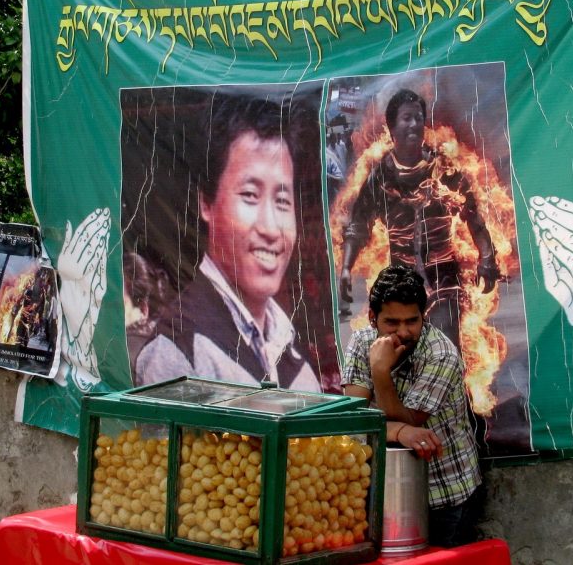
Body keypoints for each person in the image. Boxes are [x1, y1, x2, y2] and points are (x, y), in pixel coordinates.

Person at [134, 96, 321, 391]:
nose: (271, 228)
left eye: (283, 201)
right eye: (249, 195)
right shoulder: (177, 354)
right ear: (206, 202)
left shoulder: (292, 352)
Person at [339, 88, 500, 350]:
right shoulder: (380, 176)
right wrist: (347, 267)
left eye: (418, 117)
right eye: (406, 118)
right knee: (407, 355)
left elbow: (473, 215)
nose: (414, 124)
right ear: (392, 128)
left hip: (445, 279)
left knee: (447, 353)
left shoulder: (444, 167)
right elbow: (358, 226)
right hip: (401, 280)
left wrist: (487, 256)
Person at [342, 265, 484, 547]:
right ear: (373, 318)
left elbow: (410, 421)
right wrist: (397, 431)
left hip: (445, 496)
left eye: (412, 321)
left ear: (423, 316)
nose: (404, 332)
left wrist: (380, 373)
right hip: (386, 496)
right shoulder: (361, 342)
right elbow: (353, 417)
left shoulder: (440, 354)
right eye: (392, 322)